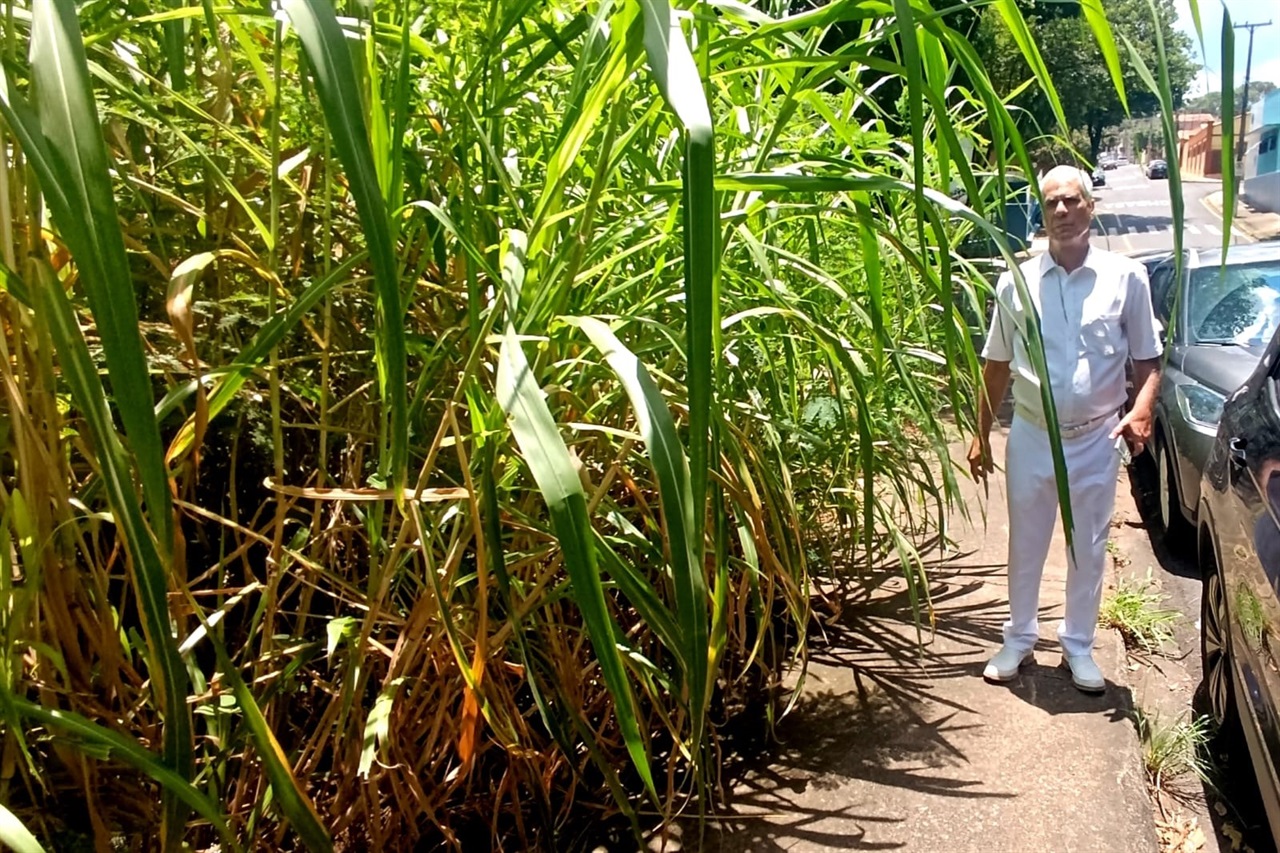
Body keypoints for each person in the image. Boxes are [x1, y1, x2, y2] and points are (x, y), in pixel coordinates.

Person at [968, 164, 1162, 693]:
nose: (1061, 211)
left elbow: (1148, 360)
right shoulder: (1017, 281)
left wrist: (1142, 409)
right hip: (1032, 434)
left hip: (1097, 438)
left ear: (1090, 207)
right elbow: (997, 365)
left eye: (1071, 200)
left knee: (1089, 546)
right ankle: (1019, 638)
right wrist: (980, 431)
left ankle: (1078, 645)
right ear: (1041, 211)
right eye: (1051, 202)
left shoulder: (1127, 278)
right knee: (1026, 541)